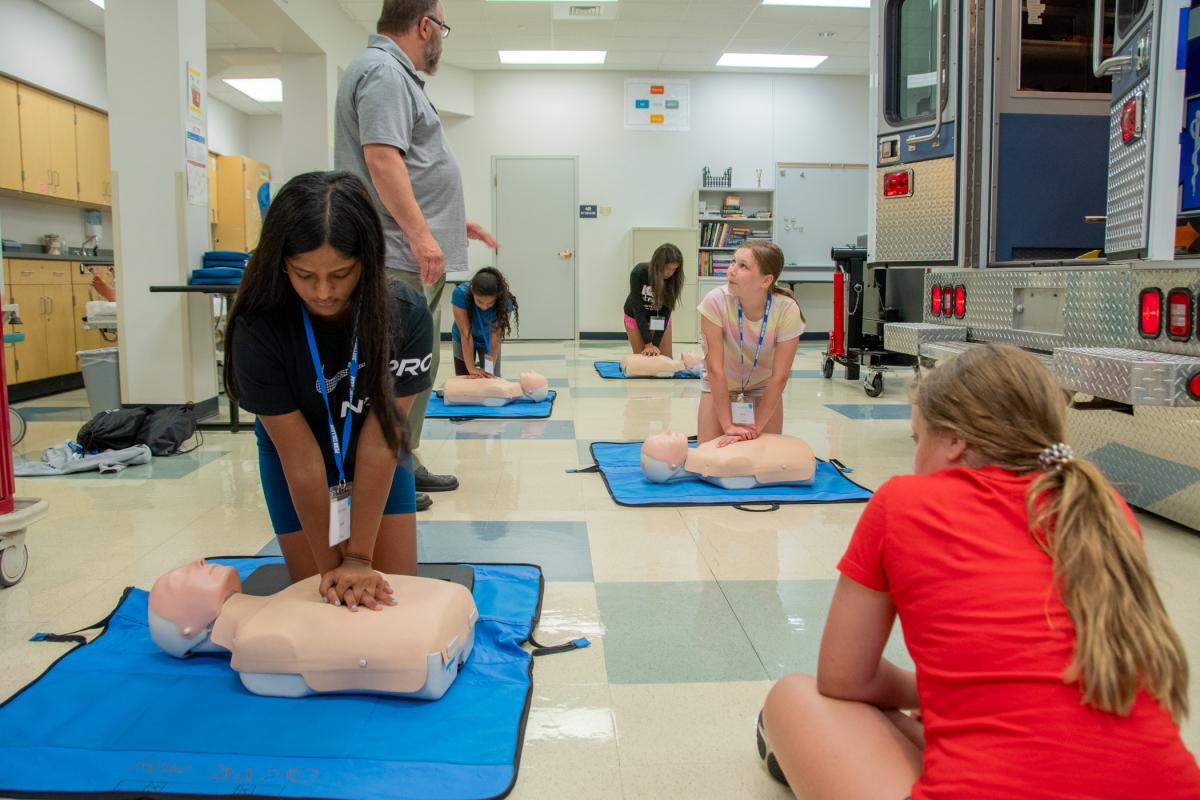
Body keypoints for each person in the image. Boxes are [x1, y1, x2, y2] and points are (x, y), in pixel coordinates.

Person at [758, 344, 1200, 800]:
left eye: (918, 440)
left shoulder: (904, 502)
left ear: (954, 441)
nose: (914, 459)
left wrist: (929, 692)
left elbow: (842, 677)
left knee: (795, 698)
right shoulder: (1101, 513)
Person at [224, 171, 434, 611]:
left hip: (375, 447)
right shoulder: (258, 326)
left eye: (341, 274)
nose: (323, 292)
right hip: (296, 457)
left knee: (393, 601)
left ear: (368, 261)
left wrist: (358, 557)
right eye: (304, 275)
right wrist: (334, 569)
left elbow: (381, 441)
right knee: (327, 604)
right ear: (281, 262)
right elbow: (299, 459)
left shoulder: (405, 313)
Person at [334, 0, 499, 503]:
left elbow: (411, 166)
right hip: (397, 258)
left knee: (414, 368)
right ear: (424, 25)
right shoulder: (384, 72)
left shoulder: (393, 75)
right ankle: (382, 475)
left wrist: (448, 222)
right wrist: (424, 236)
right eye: (442, 28)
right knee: (393, 370)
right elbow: (382, 161)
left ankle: (403, 461)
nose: (442, 40)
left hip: (409, 250)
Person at [697, 240, 804, 447]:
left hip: (762, 386)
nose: (731, 271)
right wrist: (728, 425)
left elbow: (780, 377)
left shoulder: (787, 310)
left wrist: (755, 428)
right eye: (732, 262)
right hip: (720, 383)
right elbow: (715, 369)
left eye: (743, 266)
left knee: (765, 460)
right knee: (709, 459)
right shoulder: (715, 301)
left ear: (766, 280)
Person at [451, 267, 518, 378]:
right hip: (463, 337)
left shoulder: (505, 302)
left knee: (491, 377)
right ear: (473, 293)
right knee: (464, 380)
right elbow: (465, 333)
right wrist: (471, 368)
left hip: (488, 340)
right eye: (480, 301)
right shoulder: (460, 294)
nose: (484, 307)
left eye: (490, 303)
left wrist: (489, 368)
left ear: (497, 297)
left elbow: (496, 336)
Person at [623, 243, 683, 358]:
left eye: (674, 269)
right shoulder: (639, 273)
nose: (670, 273)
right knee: (645, 360)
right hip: (635, 316)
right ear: (657, 264)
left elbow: (666, 312)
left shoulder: (673, 280)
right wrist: (648, 344)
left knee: (665, 361)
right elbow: (638, 310)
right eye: (667, 268)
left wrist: (654, 344)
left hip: (658, 317)